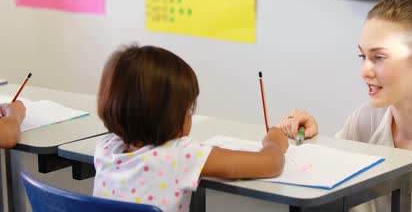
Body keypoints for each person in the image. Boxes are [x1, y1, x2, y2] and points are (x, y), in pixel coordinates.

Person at [279, 0, 412, 211]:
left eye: (379, 58)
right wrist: (310, 141)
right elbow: (321, 188)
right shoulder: (362, 123)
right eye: (363, 57)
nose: (365, 72)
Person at [93, 45, 288, 211]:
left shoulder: (105, 148)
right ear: (169, 116)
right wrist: (274, 141)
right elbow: (270, 164)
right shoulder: (180, 155)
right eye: (188, 109)